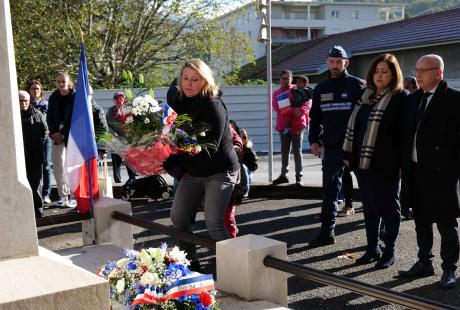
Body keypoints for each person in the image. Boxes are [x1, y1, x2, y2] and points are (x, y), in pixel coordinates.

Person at [164, 59, 239, 271]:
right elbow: (169, 129)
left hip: (219, 169)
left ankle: (235, 270)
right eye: (185, 78)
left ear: (205, 81)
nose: (188, 83)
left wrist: (174, 144)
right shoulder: (179, 102)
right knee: (178, 218)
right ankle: (191, 264)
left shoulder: (214, 105)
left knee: (214, 223)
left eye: (194, 79)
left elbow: (209, 147)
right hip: (193, 168)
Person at [398, 54, 460, 289]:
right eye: (417, 69)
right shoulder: (413, 100)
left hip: (442, 173)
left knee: (446, 223)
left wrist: (453, 167)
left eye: (424, 70)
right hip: (415, 170)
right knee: (421, 221)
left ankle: (449, 270)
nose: (418, 74)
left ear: (438, 73)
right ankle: (425, 262)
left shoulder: (454, 99)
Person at [343, 53, 406, 269]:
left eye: (385, 71)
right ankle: (372, 249)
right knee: (369, 207)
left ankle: (390, 250)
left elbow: (405, 135)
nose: (379, 75)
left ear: (393, 74)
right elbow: (355, 128)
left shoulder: (400, 98)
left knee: (389, 209)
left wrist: (402, 164)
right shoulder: (365, 96)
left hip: (387, 164)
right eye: (376, 71)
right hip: (363, 163)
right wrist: (348, 154)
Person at [308, 46, 365, 247]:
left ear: (346, 63)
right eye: (331, 61)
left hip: (357, 149)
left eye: (338, 62)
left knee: (368, 191)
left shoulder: (358, 86)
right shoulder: (321, 88)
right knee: (330, 192)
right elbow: (314, 118)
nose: (334, 65)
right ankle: (327, 233)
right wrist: (313, 140)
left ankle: (377, 236)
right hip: (331, 148)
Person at [272, 70, 310, 186]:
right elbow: (279, 108)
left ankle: (299, 176)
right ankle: (284, 175)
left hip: (298, 125)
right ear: (280, 79)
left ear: (291, 78)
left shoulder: (299, 88)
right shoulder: (276, 93)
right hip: (283, 126)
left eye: (287, 78)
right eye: (283, 78)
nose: (285, 80)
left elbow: (309, 102)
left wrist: (301, 111)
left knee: (297, 151)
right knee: (285, 151)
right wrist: (294, 111)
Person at [46, 72, 76, 208]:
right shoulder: (53, 97)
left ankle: (76, 196)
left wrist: (63, 132)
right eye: (58, 81)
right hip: (56, 134)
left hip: (72, 134)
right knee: (58, 165)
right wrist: (54, 133)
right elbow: (50, 117)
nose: (61, 84)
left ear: (69, 81)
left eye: (63, 81)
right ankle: (63, 196)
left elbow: (77, 116)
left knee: (73, 165)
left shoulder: (75, 96)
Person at [19, 91, 48, 218]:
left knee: (36, 183)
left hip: (36, 154)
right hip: (20, 156)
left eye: (25, 100)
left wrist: (40, 142)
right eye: (20, 100)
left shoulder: (38, 113)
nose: (24, 103)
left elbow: (45, 130)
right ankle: (22, 207)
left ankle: (38, 207)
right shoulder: (11, 115)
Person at [27, 80, 52, 206]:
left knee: (46, 166)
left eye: (37, 88)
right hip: (30, 140)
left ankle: (46, 193)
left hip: (45, 138)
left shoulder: (46, 104)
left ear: (41, 90)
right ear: (29, 90)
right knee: (33, 167)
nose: (35, 90)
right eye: (33, 88)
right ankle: (34, 193)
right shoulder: (26, 103)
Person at [106, 92, 136, 183]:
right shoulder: (111, 111)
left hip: (127, 140)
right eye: (117, 98)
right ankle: (118, 183)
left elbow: (133, 124)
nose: (119, 101)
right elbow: (108, 125)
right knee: (116, 164)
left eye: (121, 98)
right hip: (115, 140)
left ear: (124, 99)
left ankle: (133, 182)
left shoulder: (128, 110)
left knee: (130, 162)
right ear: (114, 100)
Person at [240, 128, 258, 197]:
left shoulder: (249, 150)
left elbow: (255, 166)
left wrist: (246, 167)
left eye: (244, 137)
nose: (242, 139)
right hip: (238, 175)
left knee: (243, 167)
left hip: (248, 174)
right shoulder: (235, 148)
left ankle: (246, 190)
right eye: (241, 137)